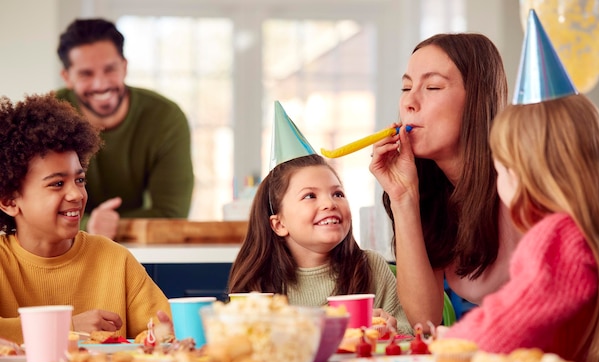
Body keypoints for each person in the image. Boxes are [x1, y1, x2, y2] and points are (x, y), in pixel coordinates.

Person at [443, 10, 599, 362]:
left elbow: (504, 325)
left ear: (527, 174)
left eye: (501, 168)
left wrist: (449, 344)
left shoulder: (557, 237)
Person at [369, 33, 520, 328]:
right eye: (406, 87)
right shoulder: (433, 194)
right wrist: (403, 197)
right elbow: (425, 319)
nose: (410, 102)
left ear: (478, 98)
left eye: (433, 86)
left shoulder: (520, 182)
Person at [0, 93, 172, 344]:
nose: (76, 194)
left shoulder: (115, 260)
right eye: (57, 184)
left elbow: (161, 330)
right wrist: (67, 326)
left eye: (79, 180)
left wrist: (164, 336)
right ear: (9, 201)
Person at [229, 102, 412, 335]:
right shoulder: (257, 282)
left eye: (337, 193)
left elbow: (411, 333)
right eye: (310, 196)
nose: (329, 203)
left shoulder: (370, 267)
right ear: (279, 224)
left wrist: (390, 330)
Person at [56, 18, 194, 239]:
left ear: (125, 67)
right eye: (86, 74)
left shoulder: (165, 118)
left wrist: (115, 226)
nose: (100, 84)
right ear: (67, 78)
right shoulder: (46, 118)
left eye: (110, 69)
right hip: (60, 247)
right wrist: (89, 225)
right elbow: (32, 208)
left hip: (140, 253)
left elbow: (172, 214)